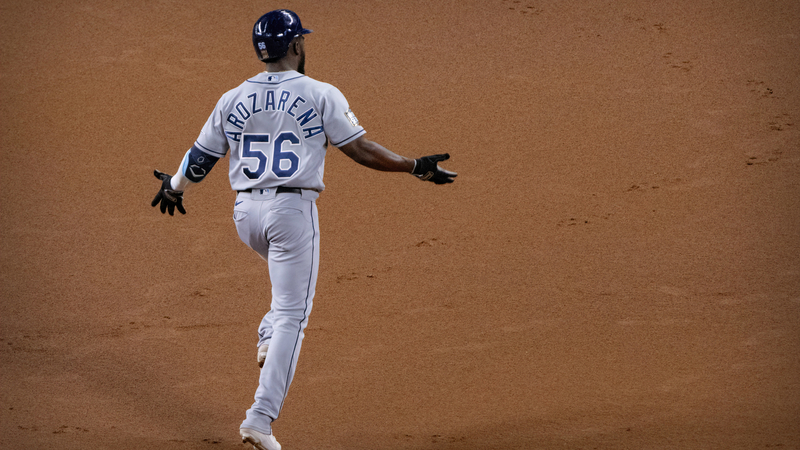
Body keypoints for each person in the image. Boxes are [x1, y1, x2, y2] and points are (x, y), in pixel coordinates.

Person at [151, 9, 456, 450]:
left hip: (245, 217)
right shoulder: (319, 92)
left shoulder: (231, 98)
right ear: (295, 45)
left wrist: (174, 186)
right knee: (295, 313)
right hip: (292, 215)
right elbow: (361, 150)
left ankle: (267, 333)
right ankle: (260, 417)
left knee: (283, 295)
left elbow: (200, 158)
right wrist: (415, 168)